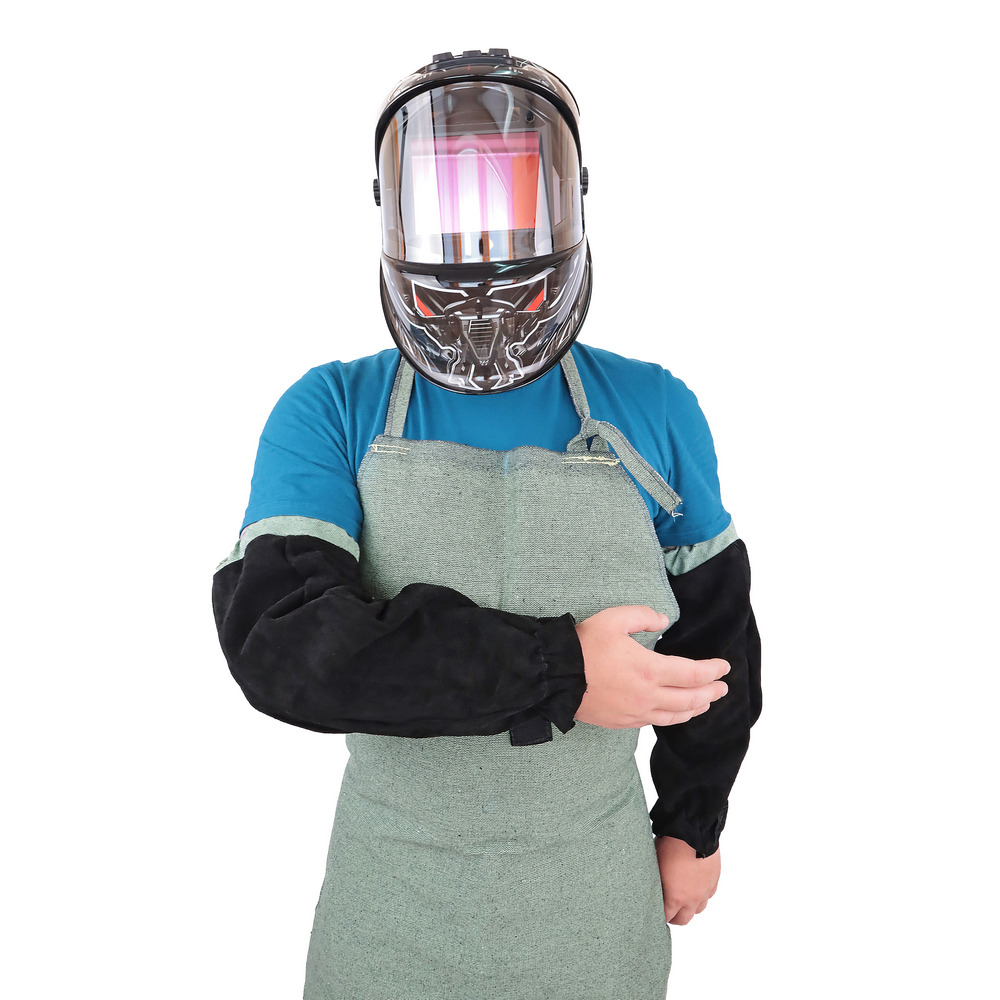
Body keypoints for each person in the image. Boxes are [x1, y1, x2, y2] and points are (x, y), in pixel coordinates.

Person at [212, 49, 761, 1000]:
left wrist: (693, 822)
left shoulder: (655, 409)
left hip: (596, 915)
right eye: (444, 203)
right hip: (391, 917)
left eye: (506, 196)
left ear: (569, 199)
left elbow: (718, 643)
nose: (477, 243)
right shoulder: (330, 410)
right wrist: (565, 670)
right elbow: (286, 643)